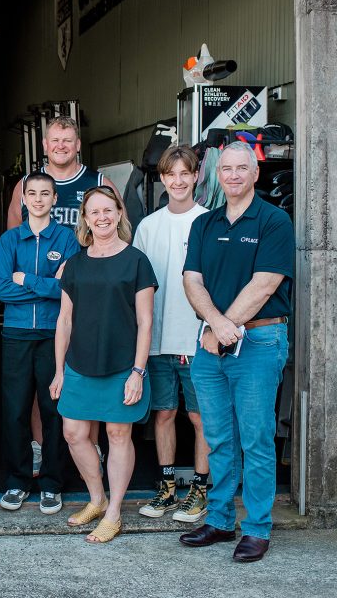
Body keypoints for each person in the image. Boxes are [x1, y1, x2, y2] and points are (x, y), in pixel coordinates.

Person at [179, 141, 294, 563]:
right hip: (212, 343)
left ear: (255, 173)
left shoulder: (274, 220)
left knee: (257, 439)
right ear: (218, 175)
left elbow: (265, 283)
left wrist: (224, 328)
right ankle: (221, 520)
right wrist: (218, 326)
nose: (232, 175)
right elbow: (192, 280)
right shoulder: (204, 224)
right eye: (225, 168)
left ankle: (258, 528)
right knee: (219, 438)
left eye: (241, 168)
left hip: (260, 343)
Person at [7, 117, 122, 472]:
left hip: (91, 293)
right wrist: (38, 280)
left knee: (93, 371)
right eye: (54, 140)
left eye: (67, 140)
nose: (60, 145)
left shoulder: (99, 182)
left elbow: (119, 232)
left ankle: (95, 447)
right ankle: (42, 447)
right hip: (46, 306)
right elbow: (15, 241)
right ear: (44, 145)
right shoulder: (25, 185)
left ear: (77, 144)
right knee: (47, 384)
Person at [50, 185, 157, 544]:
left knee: (117, 434)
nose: (102, 217)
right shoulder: (75, 264)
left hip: (122, 366)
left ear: (119, 214)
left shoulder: (137, 261)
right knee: (74, 434)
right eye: (94, 212)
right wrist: (59, 370)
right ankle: (97, 499)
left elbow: (145, 322)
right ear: (85, 219)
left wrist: (138, 372)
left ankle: (114, 513)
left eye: (108, 210)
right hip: (79, 364)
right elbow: (64, 320)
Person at [133, 145, 211, 523]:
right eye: (170, 174)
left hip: (199, 339)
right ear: (162, 178)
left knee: (201, 419)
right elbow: (137, 286)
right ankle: (166, 488)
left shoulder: (210, 222)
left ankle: (199, 490)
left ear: (196, 176)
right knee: (163, 414)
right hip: (158, 339)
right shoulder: (149, 226)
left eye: (185, 173)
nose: (178, 181)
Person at [0, 172, 79, 515]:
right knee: (14, 410)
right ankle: (17, 482)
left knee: (52, 410)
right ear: (24, 200)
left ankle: (51, 484)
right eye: (33, 193)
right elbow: (3, 290)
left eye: (46, 193)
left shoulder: (68, 238)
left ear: (54, 199)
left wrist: (27, 280)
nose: (39, 199)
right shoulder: (10, 240)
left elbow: (67, 290)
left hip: (52, 335)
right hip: (15, 335)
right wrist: (46, 284)